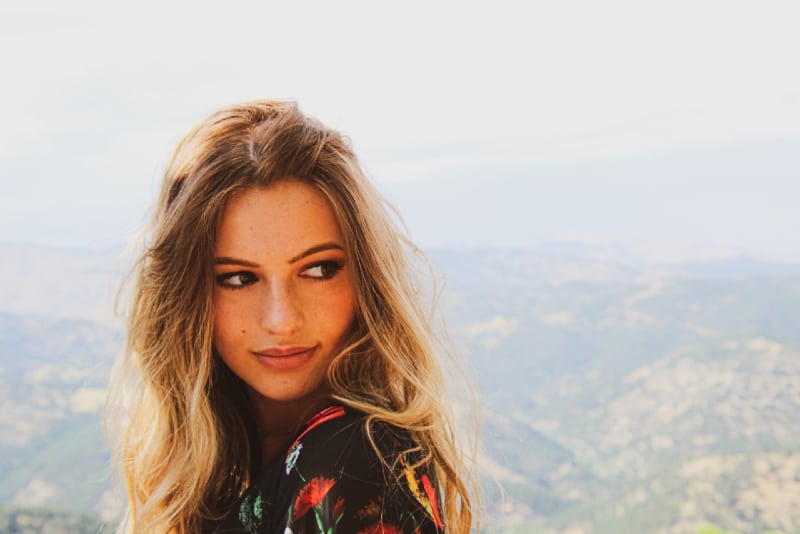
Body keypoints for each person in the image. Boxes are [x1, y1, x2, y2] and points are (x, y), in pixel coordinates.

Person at [106, 100, 478, 533]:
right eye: (239, 278)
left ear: (366, 280)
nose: (282, 320)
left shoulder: (353, 468)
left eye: (318, 270)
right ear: (188, 296)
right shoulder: (236, 462)